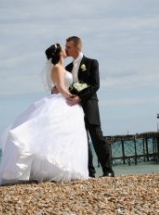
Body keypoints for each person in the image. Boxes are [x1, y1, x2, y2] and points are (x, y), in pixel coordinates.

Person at [0, 43, 89, 186]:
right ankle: (58, 171)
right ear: (58, 53)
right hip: (62, 100)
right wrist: (72, 97)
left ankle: (68, 169)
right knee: (55, 134)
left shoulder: (62, 67)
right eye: (62, 48)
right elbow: (61, 87)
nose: (65, 50)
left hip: (64, 101)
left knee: (65, 136)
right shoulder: (57, 68)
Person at [65, 36, 115, 177]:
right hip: (73, 108)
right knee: (81, 139)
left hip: (89, 104)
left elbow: (95, 85)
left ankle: (108, 170)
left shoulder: (92, 63)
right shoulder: (67, 68)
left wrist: (80, 97)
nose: (66, 49)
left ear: (77, 48)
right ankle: (89, 172)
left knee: (97, 137)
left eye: (68, 47)